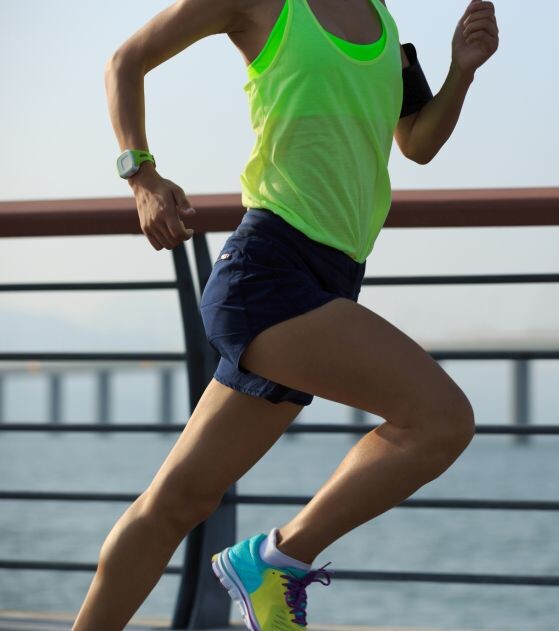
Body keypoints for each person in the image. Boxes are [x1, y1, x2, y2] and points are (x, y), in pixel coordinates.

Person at [75, 0, 498, 629]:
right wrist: (141, 175)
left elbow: (417, 142)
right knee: (441, 419)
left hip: (331, 279)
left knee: (178, 501)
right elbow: (126, 61)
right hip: (269, 272)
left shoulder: (381, 18)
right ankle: (276, 561)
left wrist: (462, 71)